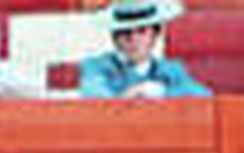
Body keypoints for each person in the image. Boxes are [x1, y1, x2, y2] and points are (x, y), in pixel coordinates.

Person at [79, 0, 210, 100]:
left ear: (154, 36)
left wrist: (162, 91)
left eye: (141, 31)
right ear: (115, 38)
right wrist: (129, 95)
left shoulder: (170, 69)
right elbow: (95, 96)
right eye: (125, 33)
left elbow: (203, 95)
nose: (133, 39)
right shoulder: (97, 67)